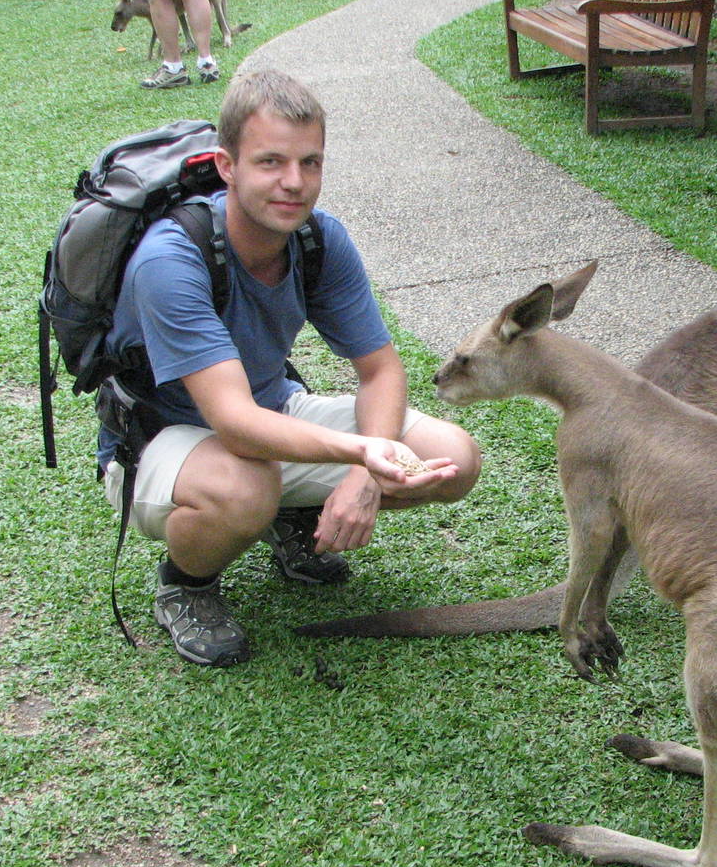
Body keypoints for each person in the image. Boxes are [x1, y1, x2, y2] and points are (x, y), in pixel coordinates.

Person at [100, 67, 482, 666]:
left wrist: (363, 479)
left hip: (273, 411)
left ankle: (293, 519)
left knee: (452, 459)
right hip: (162, 440)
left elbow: (380, 371)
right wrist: (360, 455)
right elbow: (232, 422)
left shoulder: (318, 240)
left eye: (311, 163)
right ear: (227, 167)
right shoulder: (171, 259)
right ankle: (185, 584)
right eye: (271, 162)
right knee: (247, 485)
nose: (294, 183)